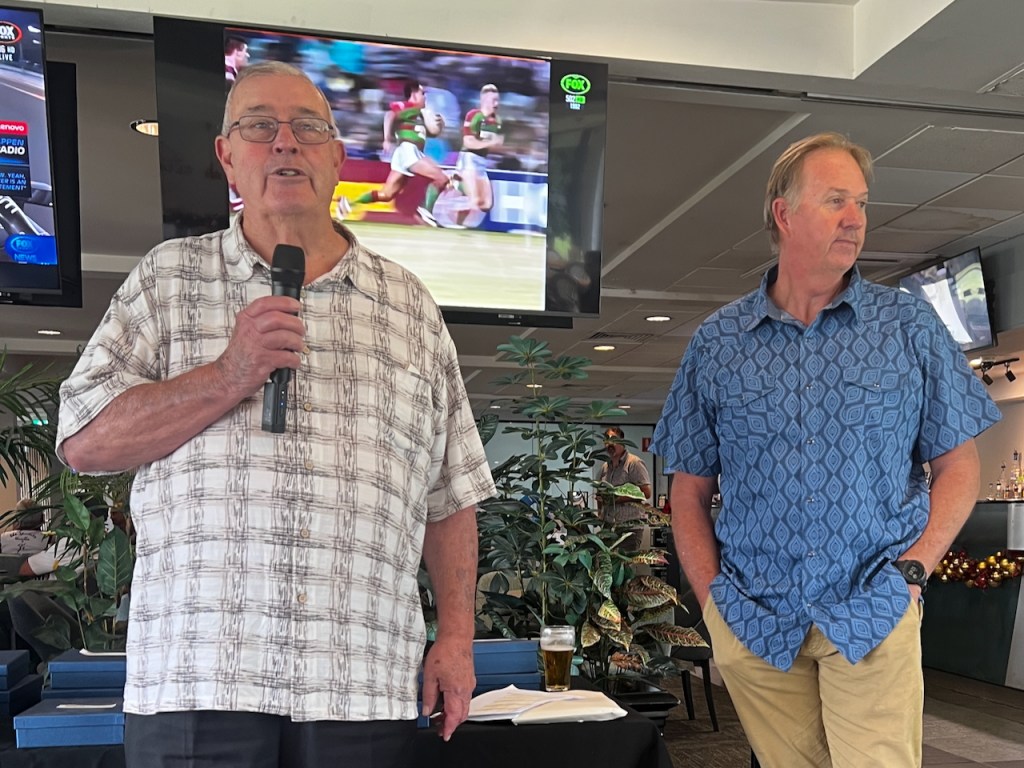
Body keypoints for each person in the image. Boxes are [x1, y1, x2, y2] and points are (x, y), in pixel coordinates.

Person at [55, 61, 495, 768]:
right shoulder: (166, 280)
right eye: (259, 126)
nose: (285, 142)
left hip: (362, 680)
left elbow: (452, 493)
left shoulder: (410, 307)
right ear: (227, 155)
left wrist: (457, 639)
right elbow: (83, 440)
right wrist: (226, 376)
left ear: (337, 157)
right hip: (198, 678)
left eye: (307, 128)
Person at [650, 131, 1001, 767]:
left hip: (874, 607)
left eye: (861, 203)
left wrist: (913, 574)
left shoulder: (907, 327)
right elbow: (689, 490)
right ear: (784, 214)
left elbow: (959, 464)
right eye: (836, 200)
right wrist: (713, 604)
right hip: (755, 617)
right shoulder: (719, 343)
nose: (855, 219)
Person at [347, 79, 453, 227]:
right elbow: (390, 115)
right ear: (414, 94)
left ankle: (349, 204)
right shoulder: (406, 107)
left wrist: (440, 125)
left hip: (408, 153)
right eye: (422, 93)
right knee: (441, 178)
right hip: (408, 150)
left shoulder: (419, 115)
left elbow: (432, 133)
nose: (425, 97)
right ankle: (425, 210)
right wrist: (386, 139)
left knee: (386, 195)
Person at [454, 84, 503, 225]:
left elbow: (491, 144)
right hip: (469, 158)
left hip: (482, 162)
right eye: (493, 100)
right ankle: (457, 224)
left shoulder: (497, 121)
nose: (496, 104)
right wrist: (491, 142)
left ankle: (459, 192)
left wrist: (498, 145)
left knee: (486, 204)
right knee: (474, 200)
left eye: (497, 100)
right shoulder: (474, 115)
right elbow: (468, 142)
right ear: (484, 100)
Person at [596, 426, 652, 525]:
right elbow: (600, 493)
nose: (609, 444)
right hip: (608, 524)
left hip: (630, 525)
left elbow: (646, 493)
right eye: (606, 441)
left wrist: (616, 499)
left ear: (622, 442)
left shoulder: (634, 463)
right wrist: (600, 513)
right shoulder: (605, 467)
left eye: (613, 440)